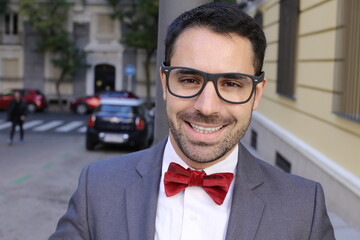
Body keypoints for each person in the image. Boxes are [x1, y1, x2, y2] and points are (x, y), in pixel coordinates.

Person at [49, 2, 335, 239]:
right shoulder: (97, 187)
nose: (207, 107)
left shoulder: (303, 208)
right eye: (189, 79)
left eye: (232, 84)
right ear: (164, 82)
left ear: (256, 93)